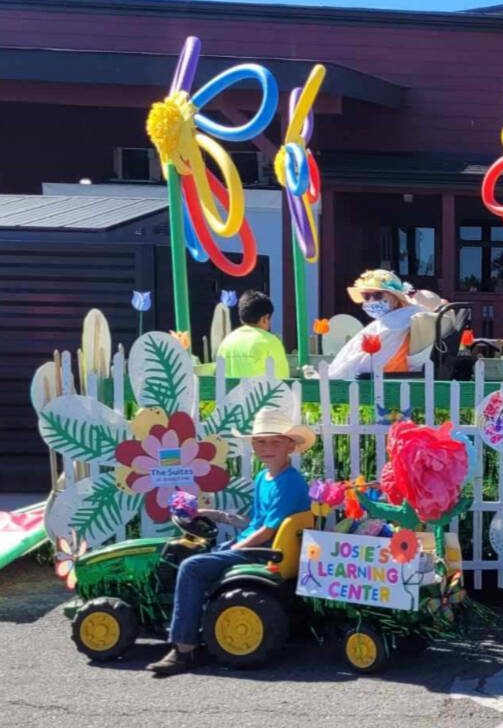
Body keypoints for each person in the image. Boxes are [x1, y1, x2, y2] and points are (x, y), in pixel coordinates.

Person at [146, 407, 313, 676]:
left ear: (290, 446)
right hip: (256, 544)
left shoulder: (289, 483)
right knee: (199, 552)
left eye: (275, 441)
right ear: (253, 446)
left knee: (191, 567)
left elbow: (267, 532)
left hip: (264, 552)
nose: (267, 447)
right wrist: (212, 515)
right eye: (260, 441)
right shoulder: (265, 478)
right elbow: (256, 522)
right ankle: (192, 625)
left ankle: (184, 649)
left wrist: (235, 547)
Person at [326, 269, 424, 379]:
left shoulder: (396, 325)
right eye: (366, 296)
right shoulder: (397, 320)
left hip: (377, 383)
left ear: (396, 299)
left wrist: (334, 376)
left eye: (378, 295)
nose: (371, 300)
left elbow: (365, 364)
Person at [215, 291, 290, 378]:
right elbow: (283, 379)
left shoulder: (226, 342)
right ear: (265, 318)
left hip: (230, 391)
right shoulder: (270, 342)